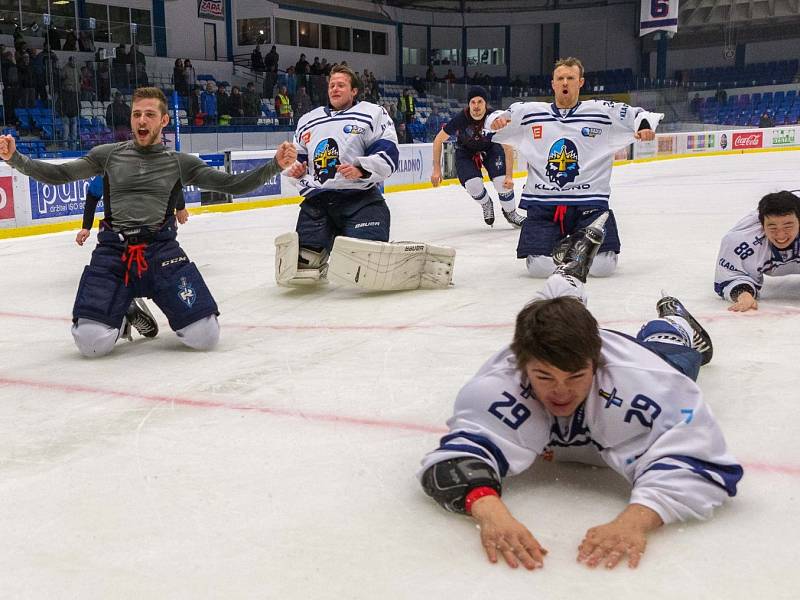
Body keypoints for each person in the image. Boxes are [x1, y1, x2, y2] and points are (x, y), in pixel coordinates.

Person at [419, 217, 742, 570]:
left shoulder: (650, 381)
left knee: (674, 354)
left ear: (597, 361)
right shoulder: (498, 383)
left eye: (575, 376)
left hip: (645, 357)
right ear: (521, 363)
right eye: (544, 376)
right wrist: (490, 511)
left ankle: (674, 322)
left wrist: (636, 520)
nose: (560, 392)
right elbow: (451, 464)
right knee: (546, 314)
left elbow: (704, 465)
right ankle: (568, 274)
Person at [0, 86, 297, 357]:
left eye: (150, 115)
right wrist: (16, 159)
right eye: (136, 114)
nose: (142, 121)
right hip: (113, 252)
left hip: (161, 252)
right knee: (90, 344)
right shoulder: (108, 156)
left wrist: (274, 165)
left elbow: (234, 185)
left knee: (205, 337)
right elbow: (60, 175)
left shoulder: (180, 162)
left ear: (164, 121)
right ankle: (123, 307)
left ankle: (142, 299)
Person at [276, 65, 454, 291]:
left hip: (360, 200)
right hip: (318, 203)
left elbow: (388, 152)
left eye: (341, 85)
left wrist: (361, 168)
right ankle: (316, 252)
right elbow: (298, 158)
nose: (335, 89)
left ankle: (413, 261)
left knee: (367, 259)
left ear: (354, 91)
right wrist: (296, 169)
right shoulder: (308, 120)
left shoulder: (373, 113)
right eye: (332, 85)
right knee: (303, 265)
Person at [487, 56, 662, 278]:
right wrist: (497, 120)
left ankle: (572, 244)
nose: (565, 83)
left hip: (589, 204)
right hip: (544, 205)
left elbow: (640, 115)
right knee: (539, 270)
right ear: (552, 83)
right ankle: (566, 243)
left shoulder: (601, 111)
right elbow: (493, 118)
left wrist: (645, 127)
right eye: (560, 78)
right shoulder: (530, 112)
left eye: (570, 78)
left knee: (603, 268)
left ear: (580, 82)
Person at [75, 175, 190, 340]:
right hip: (125, 240)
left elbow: (172, 181)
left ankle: (123, 308)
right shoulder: (111, 167)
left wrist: (179, 207)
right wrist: (86, 226)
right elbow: (93, 193)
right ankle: (123, 311)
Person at [431, 86, 525, 228]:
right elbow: (438, 140)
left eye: (480, 102)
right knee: (473, 185)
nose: (476, 106)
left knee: (502, 183)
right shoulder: (460, 119)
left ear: (485, 104)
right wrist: (437, 169)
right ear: (468, 105)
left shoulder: (495, 118)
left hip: (492, 148)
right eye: (473, 102)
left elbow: (507, 146)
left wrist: (509, 176)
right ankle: (486, 203)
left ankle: (511, 213)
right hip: (465, 151)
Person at [714, 190, 800, 312]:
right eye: (772, 227)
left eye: (788, 226)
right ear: (762, 225)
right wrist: (743, 295)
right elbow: (730, 278)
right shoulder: (741, 241)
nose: (781, 235)